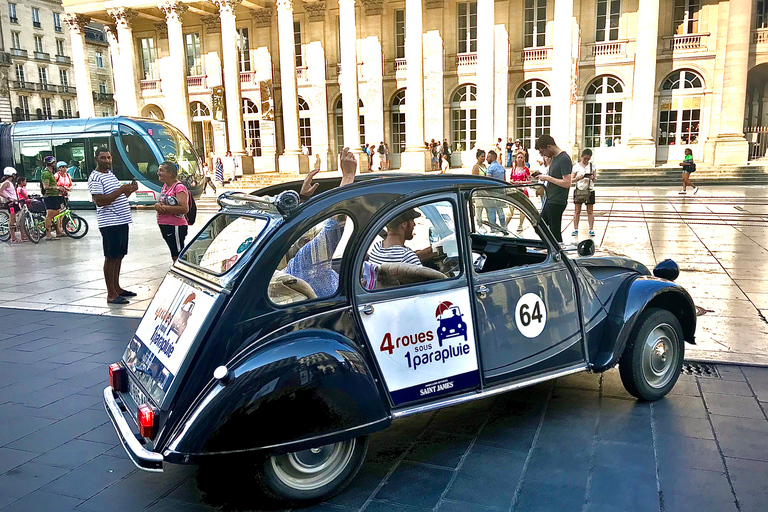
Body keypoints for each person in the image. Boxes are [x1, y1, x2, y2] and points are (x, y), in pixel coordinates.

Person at [283, 147, 357, 296]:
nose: (317, 240)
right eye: (315, 238)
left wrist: (303, 199)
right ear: (306, 245)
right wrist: (348, 177)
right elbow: (334, 227)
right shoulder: (307, 264)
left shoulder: (294, 267)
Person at [88, 147, 139, 305]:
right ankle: (111, 293)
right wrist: (120, 190)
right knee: (111, 257)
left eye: (109, 157)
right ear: (96, 159)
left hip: (122, 221)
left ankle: (117, 288)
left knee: (119, 256)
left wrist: (129, 191)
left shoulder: (110, 174)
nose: (107, 161)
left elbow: (117, 197)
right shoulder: (95, 177)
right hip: (110, 223)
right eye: (103, 158)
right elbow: (100, 200)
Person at [534, 134, 572, 243]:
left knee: (554, 232)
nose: (543, 155)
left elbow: (567, 183)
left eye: (543, 151)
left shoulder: (563, 159)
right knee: (540, 226)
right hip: (551, 199)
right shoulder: (555, 158)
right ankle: (551, 247)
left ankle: (557, 252)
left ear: (549, 147)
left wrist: (548, 178)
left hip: (557, 201)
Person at [368, 209, 433, 266]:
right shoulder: (407, 257)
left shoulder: (376, 249)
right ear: (404, 224)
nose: (414, 224)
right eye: (412, 220)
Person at [154, 161, 190, 261]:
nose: (158, 173)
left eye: (161, 170)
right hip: (165, 224)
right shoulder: (165, 186)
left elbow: (184, 208)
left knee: (178, 254)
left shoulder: (179, 187)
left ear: (169, 173)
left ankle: (182, 274)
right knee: (173, 252)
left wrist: (163, 208)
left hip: (176, 226)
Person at [571, 149, 597, 237]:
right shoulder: (576, 166)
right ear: (581, 156)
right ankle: (575, 228)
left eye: (588, 159)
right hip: (579, 189)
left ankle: (591, 229)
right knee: (577, 210)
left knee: (590, 211)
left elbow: (595, 178)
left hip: (589, 189)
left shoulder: (592, 165)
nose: (586, 160)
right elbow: (571, 180)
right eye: (585, 158)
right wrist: (578, 178)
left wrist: (592, 177)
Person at [41, 156, 64, 240]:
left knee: (57, 213)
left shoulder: (50, 173)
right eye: (54, 163)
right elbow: (45, 186)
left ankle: (58, 231)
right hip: (49, 196)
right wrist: (57, 188)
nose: (55, 164)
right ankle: (48, 234)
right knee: (50, 215)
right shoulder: (46, 173)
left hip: (55, 196)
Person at [509, 151, 532, 232]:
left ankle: (520, 225)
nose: (520, 159)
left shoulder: (526, 169)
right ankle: (505, 225)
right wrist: (512, 181)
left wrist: (521, 182)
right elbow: (511, 178)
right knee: (510, 209)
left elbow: (529, 181)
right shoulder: (513, 169)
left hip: (522, 190)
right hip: (513, 189)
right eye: (518, 157)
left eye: (521, 157)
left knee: (522, 209)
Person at [485, 150, 506, 228]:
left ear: (492, 157)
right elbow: (504, 180)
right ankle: (504, 226)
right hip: (500, 191)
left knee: (491, 210)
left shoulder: (490, 168)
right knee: (500, 210)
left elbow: (488, 181)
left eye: (488, 157)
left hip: (492, 192)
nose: (486, 159)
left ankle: (493, 228)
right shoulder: (502, 168)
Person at [0, 168, 22, 243]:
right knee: (12, 220)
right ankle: (13, 237)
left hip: (14, 202)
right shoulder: (6, 183)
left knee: (17, 217)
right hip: (10, 203)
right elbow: (0, 191)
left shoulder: (9, 182)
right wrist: (8, 197)